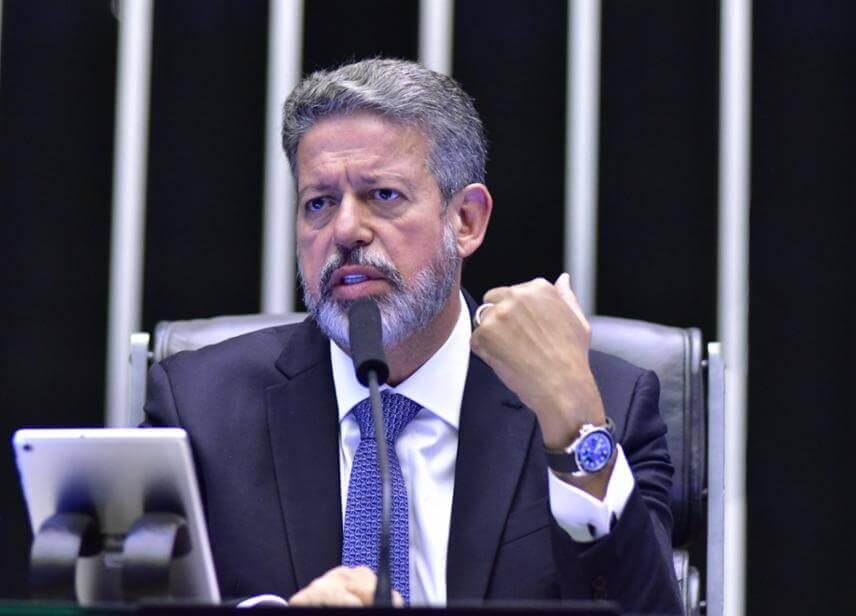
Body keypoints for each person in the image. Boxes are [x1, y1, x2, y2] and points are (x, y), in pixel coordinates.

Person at [144, 58, 681, 613]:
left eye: (382, 195)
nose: (346, 231)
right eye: (319, 203)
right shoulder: (199, 411)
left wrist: (573, 426)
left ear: (466, 220)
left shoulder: (604, 403)